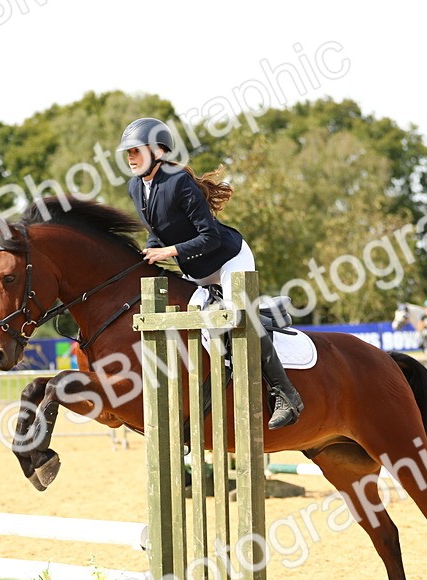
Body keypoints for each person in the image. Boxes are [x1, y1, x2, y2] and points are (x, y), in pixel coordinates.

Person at [116, 117, 302, 429]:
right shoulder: (135, 187)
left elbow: (210, 237)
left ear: (158, 151)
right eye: (128, 152)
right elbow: (157, 233)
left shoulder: (178, 181)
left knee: (239, 319)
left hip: (228, 259)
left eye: (136, 150)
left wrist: (169, 252)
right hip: (196, 269)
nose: (130, 157)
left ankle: (287, 395)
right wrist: (148, 253)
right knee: (199, 328)